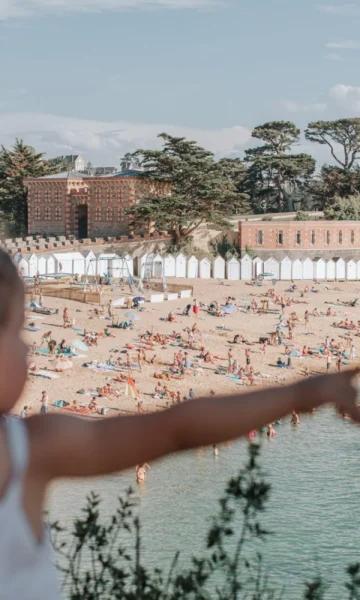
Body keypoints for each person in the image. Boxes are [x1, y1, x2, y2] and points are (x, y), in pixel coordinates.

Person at [0, 251, 359, 597]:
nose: (28, 350)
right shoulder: (31, 450)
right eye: (19, 333)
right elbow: (177, 427)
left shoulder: (30, 448)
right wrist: (300, 395)